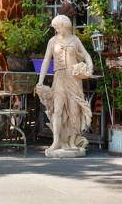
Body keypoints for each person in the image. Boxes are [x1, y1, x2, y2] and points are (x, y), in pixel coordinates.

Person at [35, 15, 94, 158]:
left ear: (64, 26)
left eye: (57, 27)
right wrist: (40, 81)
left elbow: (86, 55)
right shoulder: (52, 41)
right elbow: (45, 62)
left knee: (74, 110)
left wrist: (89, 68)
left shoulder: (75, 40)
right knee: (57, 109)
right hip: (59, 78)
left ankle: (73, 141)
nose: (56, 30)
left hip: (74, 78)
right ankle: (56, 141)